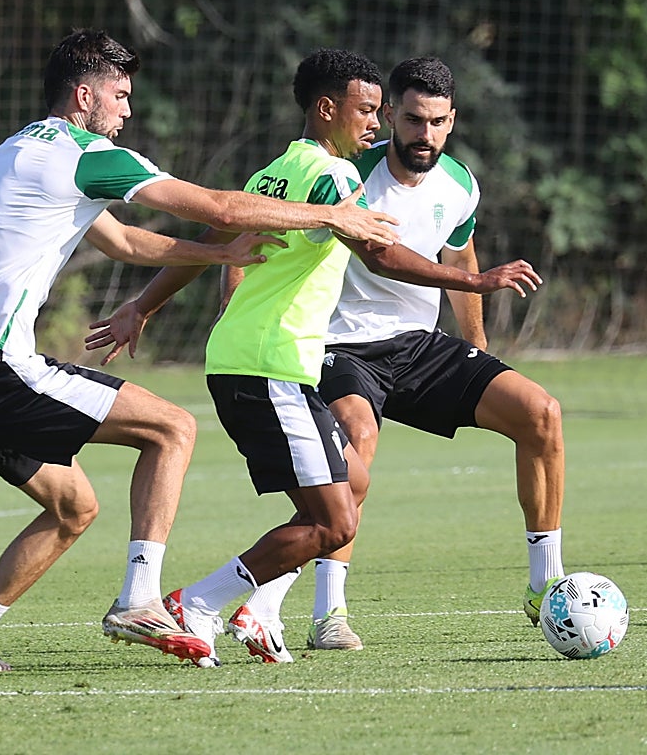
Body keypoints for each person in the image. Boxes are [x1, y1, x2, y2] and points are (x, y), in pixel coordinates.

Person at [0, 31, 400, 673]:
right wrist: (331, 218)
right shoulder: (84, 155)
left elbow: (122, 241)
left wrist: (216, 255)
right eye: (119, 96)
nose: (126, 111)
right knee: (172, 428)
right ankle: (142, 599)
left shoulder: (15, 152)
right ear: (83, 94)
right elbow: (219, 204)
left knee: (73, 509)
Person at [86, 52, 543, 666]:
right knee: (335, 523)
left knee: (352, 483)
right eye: (367, 111)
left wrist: (142, 306)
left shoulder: (277, 171)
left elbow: (208, 246)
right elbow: (380, 255)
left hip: (265, 363)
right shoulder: (335, 179)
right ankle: (199, 603)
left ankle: (258, 606)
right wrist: (474, 283)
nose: (376, 125)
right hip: (268, 364)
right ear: (328, 110)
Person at [236, 55, 563, 656]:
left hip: (417, 344)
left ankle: (547, 587)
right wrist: (477, 283)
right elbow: (375, 255)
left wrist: (478, 349)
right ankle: (328, 613)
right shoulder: (345, 168)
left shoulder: (461, 184)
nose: (426, 135)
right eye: (413, 121)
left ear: (453, 120)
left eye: (438, 123)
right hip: (339, 343)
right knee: (358, 437)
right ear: (391, 116)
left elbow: (458, 255)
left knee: (540, 413)